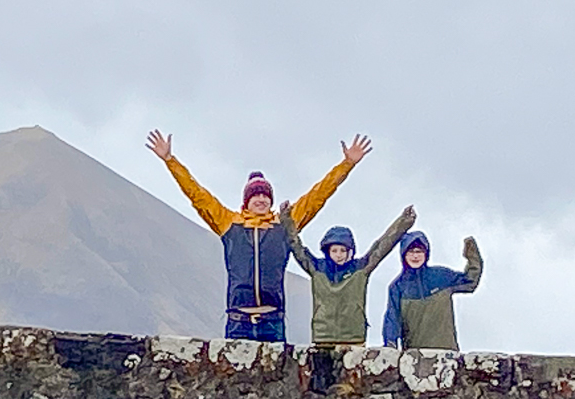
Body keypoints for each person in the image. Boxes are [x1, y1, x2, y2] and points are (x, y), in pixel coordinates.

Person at [146, 129, 372, 342]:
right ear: (247, 200)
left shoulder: (283, 224)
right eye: (256, 195)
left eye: (266, 195)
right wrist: (170, 160)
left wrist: (347, 164)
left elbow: (318, 196)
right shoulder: (229, 223)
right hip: (238, 320)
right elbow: (197, 195)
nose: (262, 199)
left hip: (272, 320)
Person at [278, 201, 416, 346]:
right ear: (327, 251)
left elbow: (382, 246)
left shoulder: (361, 268)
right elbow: (296, 245)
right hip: (323, 340)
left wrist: (404, 221)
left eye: (343, 250)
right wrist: (286, 218)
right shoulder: (317, 268)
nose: (339, 255)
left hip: (354, 340)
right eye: (334, 250)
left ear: (350, 251)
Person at [381, 231, 483, 351]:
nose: (415, 256)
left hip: (447, 352)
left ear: (426, 253)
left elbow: (470, 282)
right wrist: (390, 346)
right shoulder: (397, 286)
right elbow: (392, 319)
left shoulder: (441, 276)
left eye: (419, 251)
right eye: (411, 251)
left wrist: (472, 254)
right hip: (414, 356)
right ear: (403, 255)